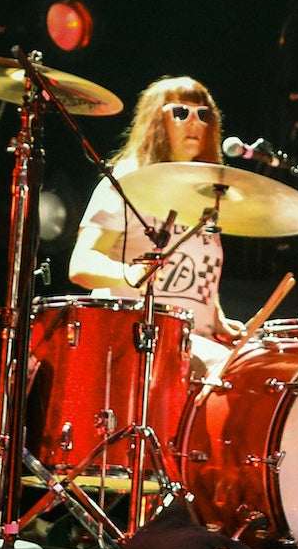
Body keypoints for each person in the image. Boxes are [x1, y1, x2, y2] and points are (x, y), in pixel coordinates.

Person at [69, 75, 245, 376]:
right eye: (181, 112)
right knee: (227, 373)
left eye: (203, 115)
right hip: (138, 338)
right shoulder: (126, 182)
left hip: (193, 342)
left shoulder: (208, 194)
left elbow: (197, 271)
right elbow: (81, 264)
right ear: (155, 121)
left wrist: (218, 319)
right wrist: (128, 274)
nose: (194, 122)